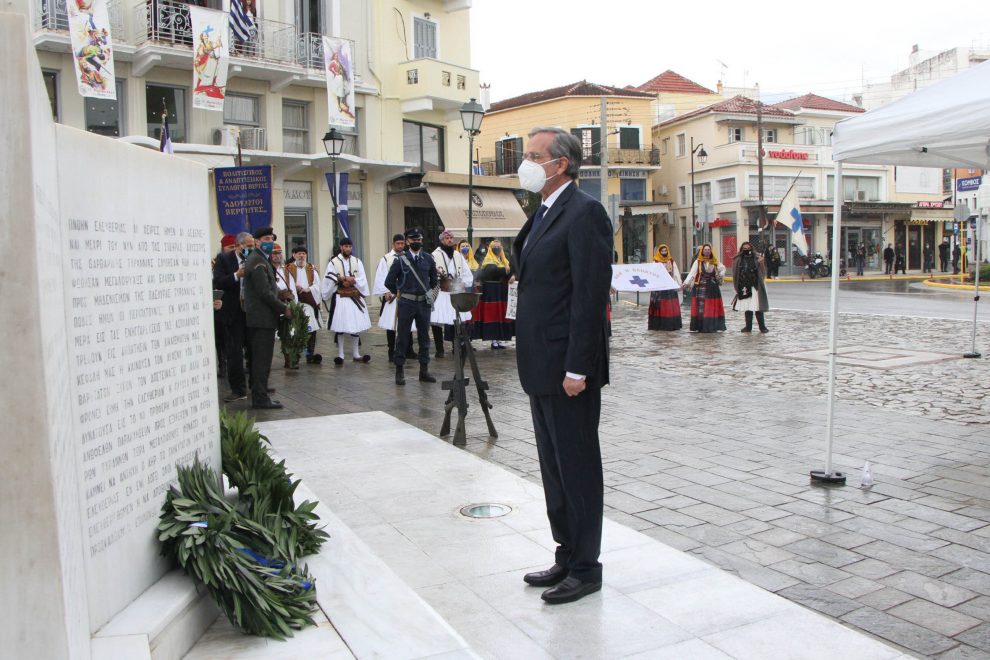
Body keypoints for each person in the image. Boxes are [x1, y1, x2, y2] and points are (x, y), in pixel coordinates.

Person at [511, 127, 611, 605]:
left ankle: (587, 567)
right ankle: (566, 553)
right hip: (539, 364)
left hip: (568, 369)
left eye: (534, 156)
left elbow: (588, 299)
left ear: (562, 164)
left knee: (577, 468)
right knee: (553, 468)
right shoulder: (543, 211)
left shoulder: (585, 213)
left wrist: (578, 367)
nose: (526, 163)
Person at [242, 227, 291, 410]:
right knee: (261, 361)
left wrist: (282, 293)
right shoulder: (257, 261)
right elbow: (264, 292)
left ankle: (260, 395)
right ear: (257, 241)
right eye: (266, 238)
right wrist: (283, 308)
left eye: (271, 238)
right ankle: (260, 399)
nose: (269, 241)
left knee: (260, 360)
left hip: (262, 318)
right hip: (261, 319)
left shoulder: (261, 259)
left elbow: (270, 288)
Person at [384, 227, 438, 386]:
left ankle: (424, 370)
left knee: (424, 337)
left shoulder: (428, 259)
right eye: (414, 240)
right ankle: (399, 371)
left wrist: (428, 293)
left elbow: (434, 281)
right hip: (406, 302)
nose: (417, 242)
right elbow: (389, 281)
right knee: (402, 337)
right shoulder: (400, 260)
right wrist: (400, 290)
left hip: (423, 304)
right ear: (407, 242)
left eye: (419, 240)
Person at [212, 231, 253, 402]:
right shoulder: (224, 259)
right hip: (233, 312)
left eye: (252, 246)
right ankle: (238, 389)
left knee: (255, 351)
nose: (250, 249)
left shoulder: (256, 258)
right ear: (238, 246)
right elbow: (219, 281)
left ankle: (257, 386)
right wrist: (237, 275)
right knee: (234, 353)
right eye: (248, 246)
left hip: (251, 312)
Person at [323, 237, 371, 365]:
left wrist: (353, 280)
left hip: (354, 296)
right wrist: (341, 280)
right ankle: (341, 354)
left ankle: (356, 354)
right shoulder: (333, 262)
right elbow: (329, 277)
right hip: (340, 297)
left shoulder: (357, 261)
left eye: (350, 246)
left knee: (355, 326)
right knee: (340, 325)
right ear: (341, 247)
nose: (348, 249)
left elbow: (362, 278)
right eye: (345, 246)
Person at [431, 229, 474, 357]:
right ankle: (439, 349)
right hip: (441, 291)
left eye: (451, 238)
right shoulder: (434, 255)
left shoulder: (458, 255)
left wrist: (464, 283)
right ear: (441, 240)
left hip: (455, 291)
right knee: (437, 320)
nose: (449, 240)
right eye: (447, 238)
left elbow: (467, 274)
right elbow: (430, 274)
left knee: (457, 320)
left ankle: (457, 346)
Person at [372, 234, 410, 363]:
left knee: (406, 323)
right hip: (392, 296)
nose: (400, 246)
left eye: (402, 243)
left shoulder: (408, 257)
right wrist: (386, 292)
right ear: (393, 244)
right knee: (391, 325)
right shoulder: (386, 259)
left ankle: (407, 350)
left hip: (406, 295)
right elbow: (381, 277)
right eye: (398, 243)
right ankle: (391, 351)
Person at [472, 239, 514, 349]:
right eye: (494, 246)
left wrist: (509, 272)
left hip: (502, 290)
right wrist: (505, 271)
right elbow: (491, 271)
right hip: (491, 291)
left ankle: (499, 339)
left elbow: (510, 270)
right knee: (492, 315)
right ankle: (493, 339)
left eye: (498, 246)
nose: (497, 248)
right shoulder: (488, 260)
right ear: (490, 248)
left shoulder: (504, 260)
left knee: (501, 314)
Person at [286, 245, 323, 364]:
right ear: (294, 255)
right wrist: (294, 288)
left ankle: (309, 354)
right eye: (299, 254)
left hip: (308, 302)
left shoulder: (311, 269)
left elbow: (318, 285)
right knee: (294, 330)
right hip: (295, 303)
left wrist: (308, 289)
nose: (302, 256)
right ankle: (294, 355)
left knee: (311, 329)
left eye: (304, 254)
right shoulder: (288, 269)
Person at [682, 244, 726, 333]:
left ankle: (711, 326)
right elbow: (692, 273)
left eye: (708, 249)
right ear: (702, 251)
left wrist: (720, 275)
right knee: (701, 307)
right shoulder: (698, 261)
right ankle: (701, 326)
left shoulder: (715, 261)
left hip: (712, 287)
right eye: (705, 249)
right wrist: (686, 283)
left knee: (711, 307)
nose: (707, 251)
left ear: (711, 251)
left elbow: (723, 268)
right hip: (700, 286)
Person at [732, 241, 769, 333]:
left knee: (758, 307)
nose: (746, 250)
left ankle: (762, 327)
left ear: (751, 248)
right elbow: (735, 274)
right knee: (748, 308)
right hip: (744, 286)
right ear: (741, 249)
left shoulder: (757, 258)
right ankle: (748, 327)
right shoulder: (738, 259)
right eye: (744, 249)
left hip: (755, 286)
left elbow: (763, 273)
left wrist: (761, 263)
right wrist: (737, 287)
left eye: (748, 248)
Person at [647, 244, 681, 331]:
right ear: (659, 252)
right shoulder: (655, 262)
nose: (664, 252)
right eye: (662, 251)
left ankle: (670, 323)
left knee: (669, 306)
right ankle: (658, 324)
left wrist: (679, 284)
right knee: (659, 305)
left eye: (665, 251)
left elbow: (676, 273)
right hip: (659, 287)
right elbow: (651, 274)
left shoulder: (671, 261)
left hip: (669, 287)